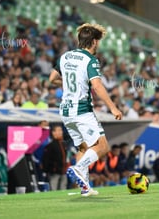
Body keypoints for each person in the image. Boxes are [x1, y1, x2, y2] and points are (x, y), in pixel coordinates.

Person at [49, 23, 123, 197]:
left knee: (83, 148)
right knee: (102, 147)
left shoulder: (65, 56)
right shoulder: (90, 60)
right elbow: (97, 86)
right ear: (94, 42)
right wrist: (112, 108)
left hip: (66, 111)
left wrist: (67, 84)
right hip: (82, 110)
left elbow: (52, 79)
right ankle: (79, 167)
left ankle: (85, 188)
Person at [41, 125, 69, 190]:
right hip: (54, 172)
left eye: (61, 130)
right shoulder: (50, 145)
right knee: (53, 189)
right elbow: (45, 160)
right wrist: (48, 170)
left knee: (63, 189)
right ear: (53, 133)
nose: (60, 132)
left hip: (63, 171)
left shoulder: (63, 144)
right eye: (58, 130)